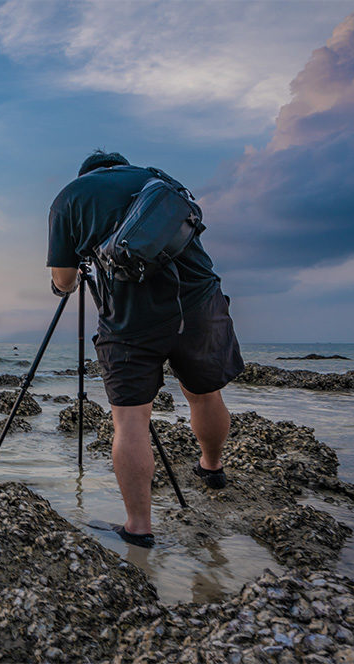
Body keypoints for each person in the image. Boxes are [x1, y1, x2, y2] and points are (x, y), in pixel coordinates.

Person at [47, 150, 244, 548]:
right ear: (120, 165)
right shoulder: (159, 177)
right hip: (198, 302)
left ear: (86, 174)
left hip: (129, 317)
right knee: (205, 395)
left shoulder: (70, 198)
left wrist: (62, 284)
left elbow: (65, 280)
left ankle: (139, 527)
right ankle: (212, 467)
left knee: (131, 421)